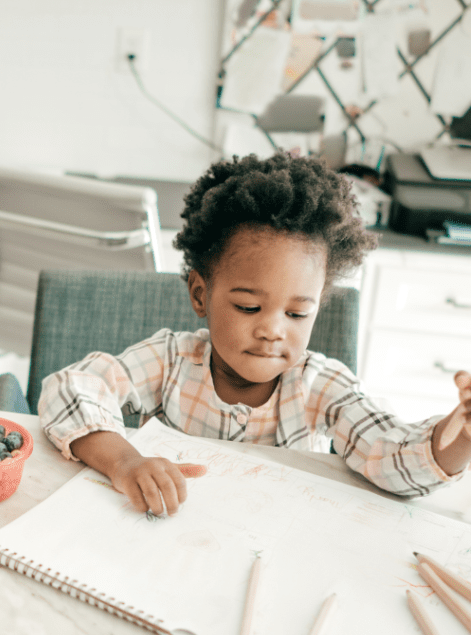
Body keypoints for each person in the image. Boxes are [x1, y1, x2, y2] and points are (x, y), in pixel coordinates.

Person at [39, 152, 471, 515]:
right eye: (248, 307)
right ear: (200, 295)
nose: (271, 330)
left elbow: (390, 455)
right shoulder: (172, 361)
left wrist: (463, 436)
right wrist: (125, 462)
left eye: (298, 313)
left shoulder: (321, 386)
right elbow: (72, 389)